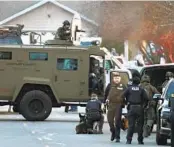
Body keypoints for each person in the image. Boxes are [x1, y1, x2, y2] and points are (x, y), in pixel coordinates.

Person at [122, 76, 149, 144]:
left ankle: (129, 140)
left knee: (131, 125)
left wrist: (126, 103)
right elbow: (146, 98)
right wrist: (144, 106)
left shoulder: (129, 89)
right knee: (140, 125)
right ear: (139, 82)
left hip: (131, 107)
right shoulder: (141, 89)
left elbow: (122, 96)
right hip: (140, 108)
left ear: (132, 82)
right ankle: (140, 140)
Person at [105, 72, 126, 142]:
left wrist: (125, 103)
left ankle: (117, 137)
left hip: (119, 105)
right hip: (111, 105)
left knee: (117, 121)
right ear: (113, 79)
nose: (116, 79)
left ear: (120, 78)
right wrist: (104, 102)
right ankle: (113, 132)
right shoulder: (110, 85)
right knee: (110, 120)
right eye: (115, 78)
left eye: (118, 78)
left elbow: (127, 94)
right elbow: (105, 94)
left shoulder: (123, 86)